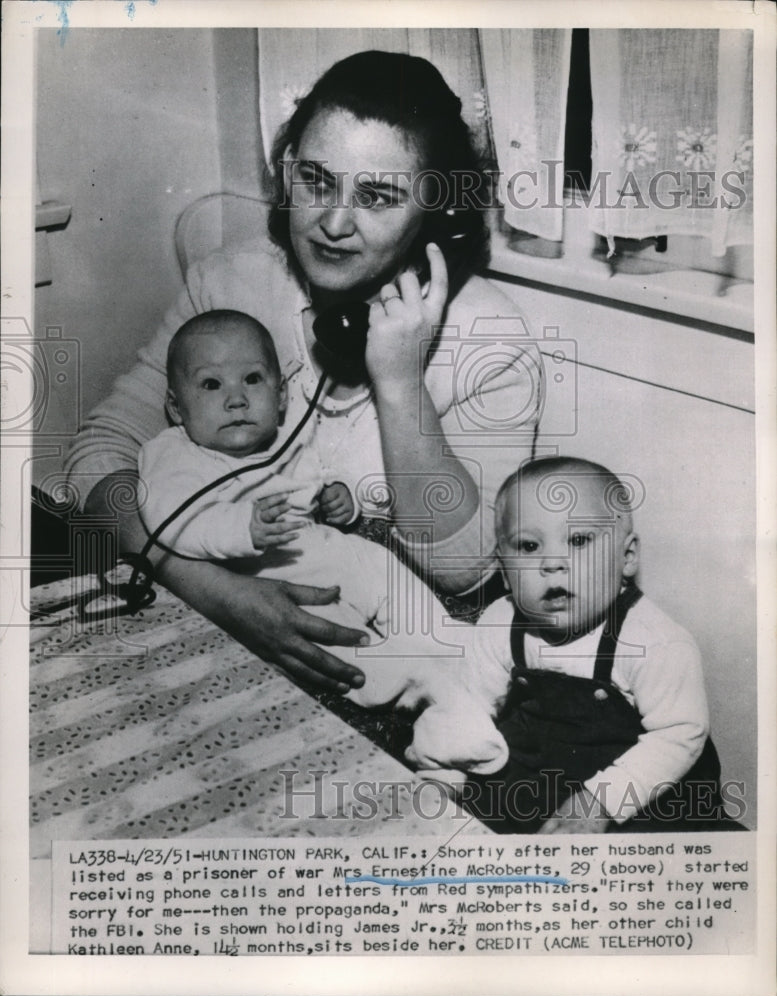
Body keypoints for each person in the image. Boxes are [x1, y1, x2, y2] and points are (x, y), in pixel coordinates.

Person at [65, 50, 539, 693]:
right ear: (288, 171)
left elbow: (468, 573)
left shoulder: (493, 339)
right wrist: (206, 586)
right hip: (216, 610)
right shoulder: (230, 282)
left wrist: (401, 385)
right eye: (316, 181)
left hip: (390, 656)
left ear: (436, 208)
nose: (334, 224)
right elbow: (100, 453)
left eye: (377, 197)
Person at [137, 308, 510, 776]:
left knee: (383, 569)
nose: (235, 399)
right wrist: (240, 530)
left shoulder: (286, 441)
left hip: (329, 550)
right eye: (211, 385)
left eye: (252, 379)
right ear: (176, 406)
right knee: (339, 642)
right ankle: (428, 702)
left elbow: (317, 479)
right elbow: (166, 520)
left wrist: (341, 501)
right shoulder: (172, 453)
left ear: (279, 396)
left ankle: (447, 640)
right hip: (272, 580)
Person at [458, 456, 728, 833]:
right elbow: (473, 709)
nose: (553, 563)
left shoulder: (655, 641)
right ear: (504, 571)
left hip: (641, 782)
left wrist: (601, 800)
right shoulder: (498, 623)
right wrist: (447, 762)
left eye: (579, 540)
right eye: (529, 546)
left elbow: (679, 735)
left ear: (627, 557)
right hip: (541, 770)